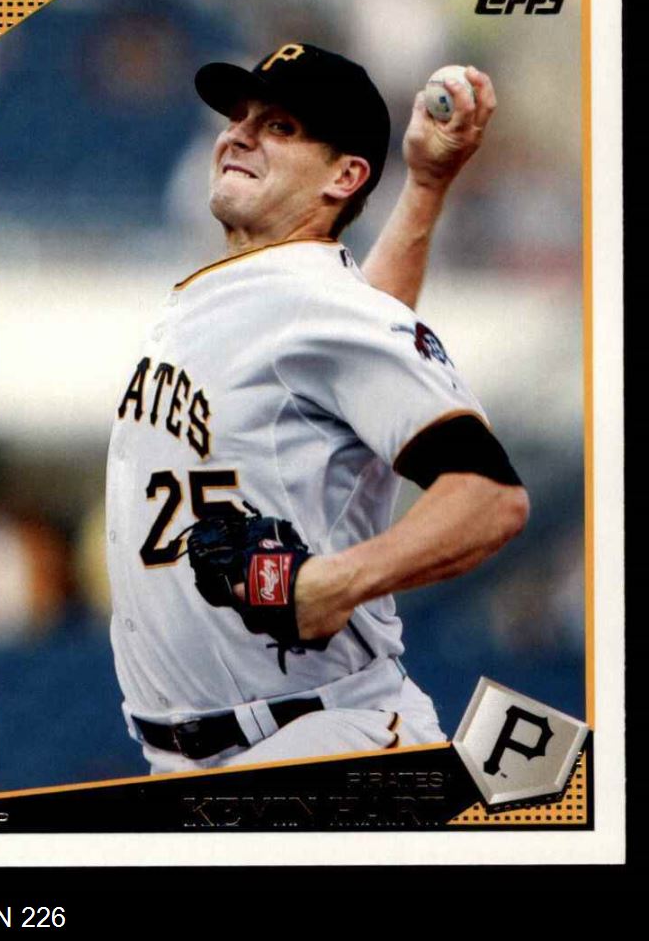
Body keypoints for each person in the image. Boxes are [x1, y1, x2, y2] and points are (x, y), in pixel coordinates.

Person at [106, 42, 529, 774]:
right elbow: (357, 341)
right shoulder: (286, 297)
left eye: (279, 126)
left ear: (345, 176)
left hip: (315, 739)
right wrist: (425, 186)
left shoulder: (317, 305)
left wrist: (333, 583)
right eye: (239, 117)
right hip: (201, 755)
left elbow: (489, 498)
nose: (238, 135)